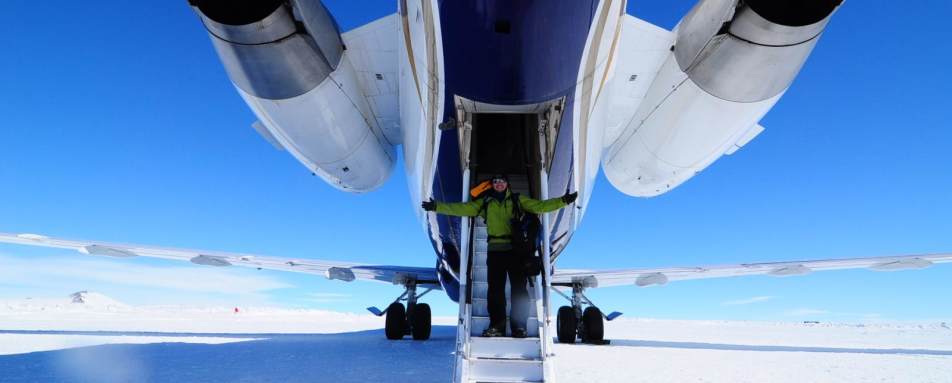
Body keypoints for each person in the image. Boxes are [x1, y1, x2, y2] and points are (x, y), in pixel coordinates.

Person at [422, 174, 577, 337]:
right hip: (495, 251)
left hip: (516, 251)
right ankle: (497, 326)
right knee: (495, 291)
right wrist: (436, 207)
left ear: (507, 184)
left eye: (501, 181)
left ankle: (519, 327)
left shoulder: (518, 200)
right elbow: (461, 208)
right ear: (492, 185)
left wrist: (563, 201)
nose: (499, 184)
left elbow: (541, 206)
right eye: (495, 182)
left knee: (519, 290)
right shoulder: (485, 203)